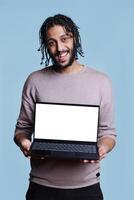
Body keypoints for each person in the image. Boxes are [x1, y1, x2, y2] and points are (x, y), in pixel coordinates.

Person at [14, 14, 116, 200]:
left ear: (75, 38)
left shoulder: (101, 82)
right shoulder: (34, 80)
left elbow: (108, 133)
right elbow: (22, 130)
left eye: (64, 39)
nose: (59, 48)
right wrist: (24, 143)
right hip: (41, 187)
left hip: (87, 187)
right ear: (46, 46)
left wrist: (101, 148)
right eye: (51, 42)